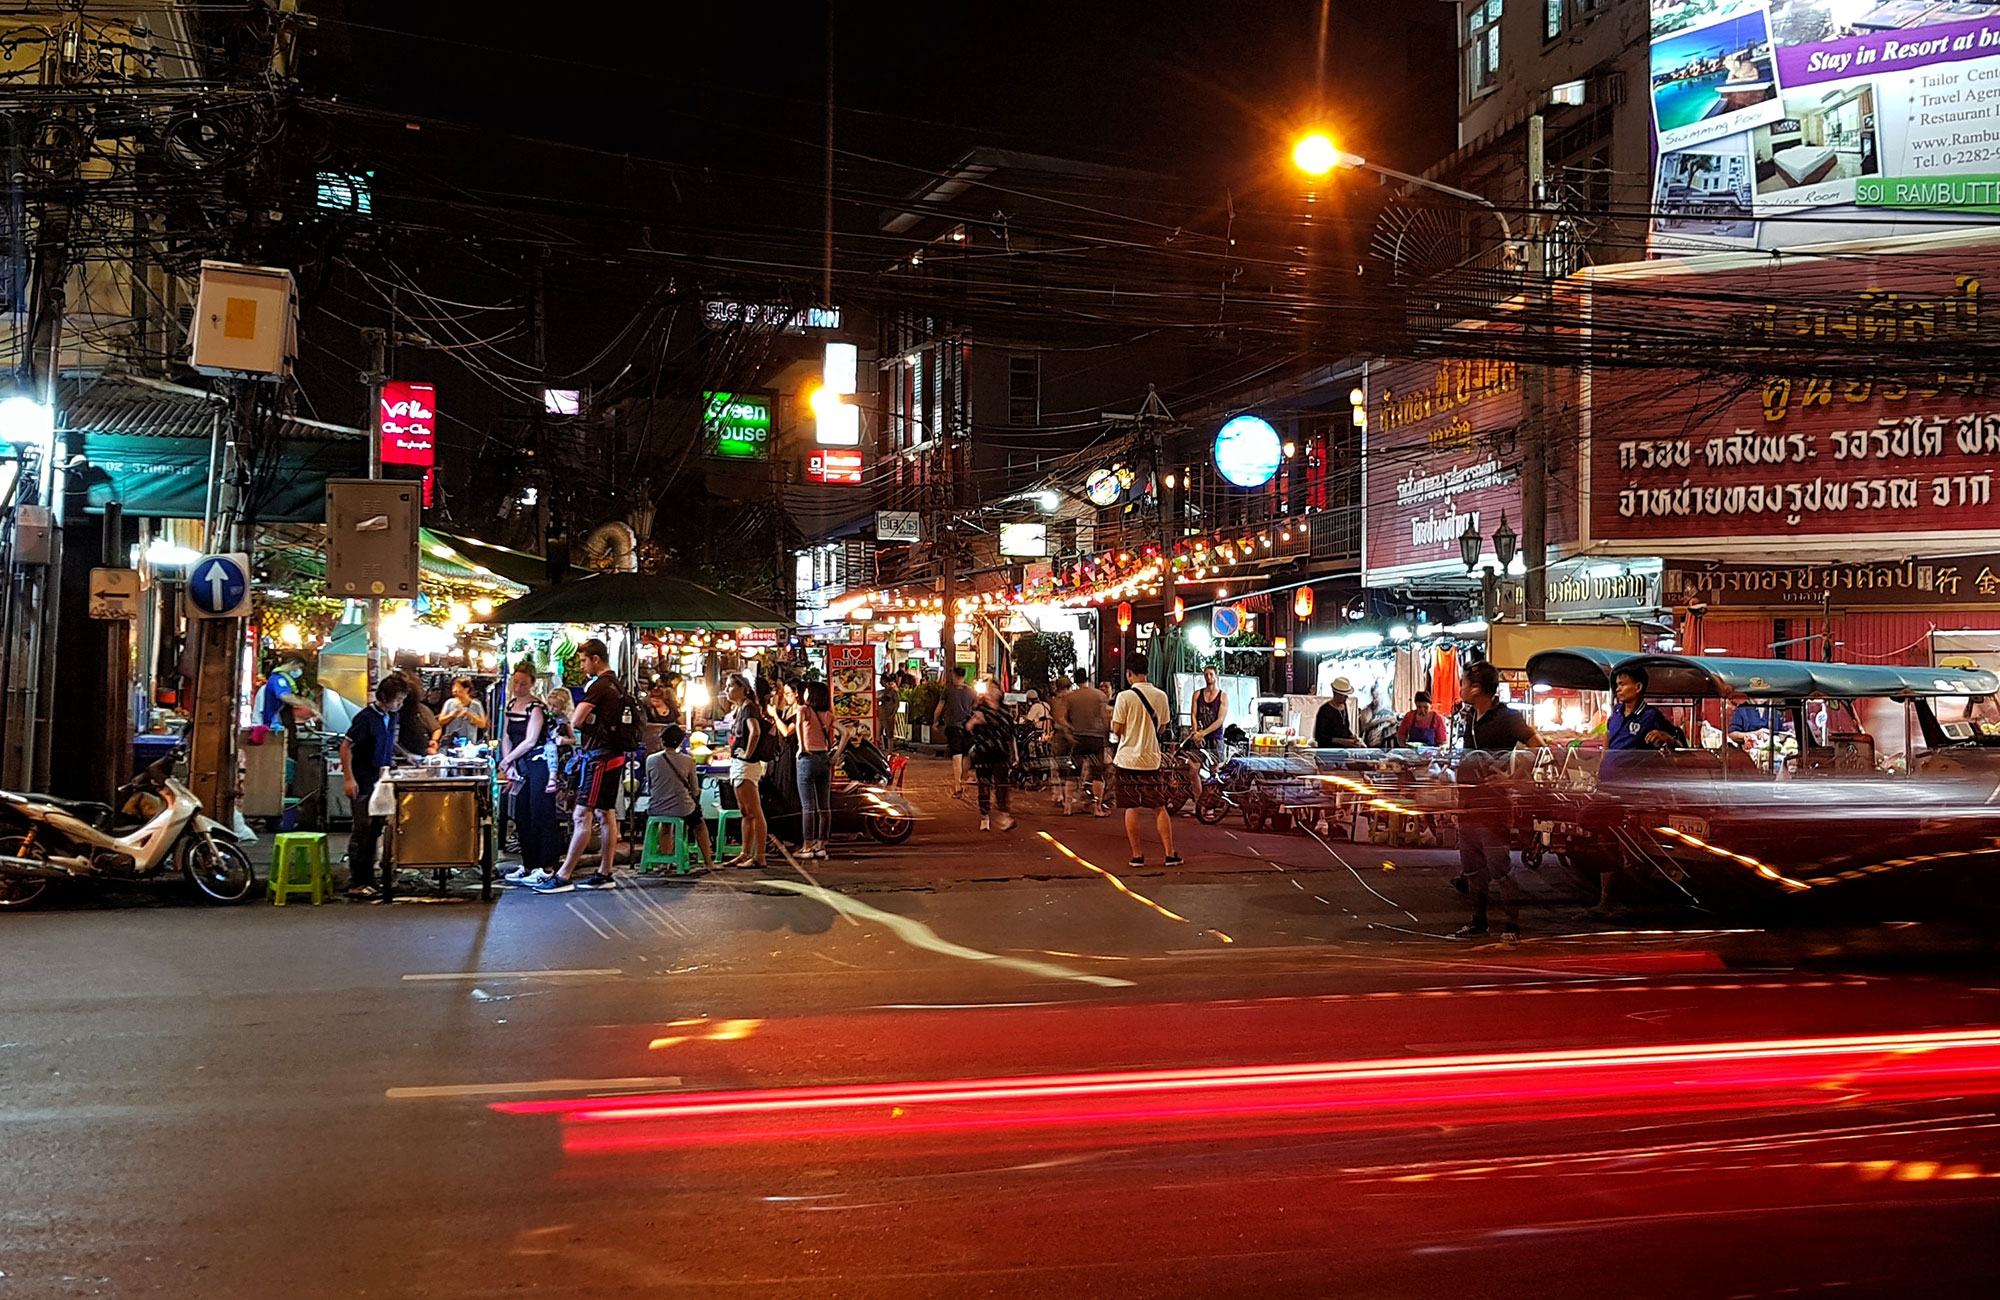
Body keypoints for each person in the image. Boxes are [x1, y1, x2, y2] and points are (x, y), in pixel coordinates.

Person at [532, 639, 632, 893]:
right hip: (615, 755)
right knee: (605, 813)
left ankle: (564, 875)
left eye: (584, 660)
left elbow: (575, 720)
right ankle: (604, 872)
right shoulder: (617, 684)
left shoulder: (599, 686)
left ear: (596, 659)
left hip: (600, 757)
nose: (582, 665)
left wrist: (586, 722)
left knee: (581, 814)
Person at [1453, 660, 1540, 942]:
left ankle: (1512, 926)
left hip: (1493, 807)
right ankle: (1478, 922)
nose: (1461, 688)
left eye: (1464, 683)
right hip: (1468, 805)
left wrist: (1512, 779)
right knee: (1473, 870)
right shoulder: (1470, 717)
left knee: (1500, 869)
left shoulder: (1508, 717)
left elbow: (1538, 747)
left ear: (1476, 689)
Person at [339, 675, 407, 900]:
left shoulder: (392, 716)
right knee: (362, 830)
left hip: (381, 780)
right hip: (363, 779)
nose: (400, 704)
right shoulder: (366, 718)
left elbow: (388, 742)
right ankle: (357, 882)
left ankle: (370, 878)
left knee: (376, 829)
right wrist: (349, 779)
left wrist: (407, 757)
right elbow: (346, 747)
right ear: (386, 697)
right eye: (398, 699)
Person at [1110, 654, 1181, 867]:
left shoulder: (1124, 697)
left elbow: (1116, 728)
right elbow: (1162, 728)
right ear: (1147, 671)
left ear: (1129, 674)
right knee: (1159, 806)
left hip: (1127, 760)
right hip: (1151, 759)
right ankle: (1169, 853)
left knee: (1131, 807)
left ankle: (1137, 855)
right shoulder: (1161, 696)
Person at [499, 668, 562, 886]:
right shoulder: (509, 706)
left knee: (540, 813)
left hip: (539, 763)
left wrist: (508, 761)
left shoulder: (536, 708)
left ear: (532, 684)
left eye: (523, 683)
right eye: (515, 683)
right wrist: (510, 763)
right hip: (520, 765)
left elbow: (530, 740)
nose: (518, 688)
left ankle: (546, 866)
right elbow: (506, 735)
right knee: (522, 814)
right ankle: (528, 863)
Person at [645, 723, 715, 872]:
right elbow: (695, 790)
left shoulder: (650, 759)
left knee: (665, 825)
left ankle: (665, 860)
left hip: (656, 807)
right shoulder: (688, 761)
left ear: (662, 741)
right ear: (680, 742)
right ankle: (709, 862)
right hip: (682, 808)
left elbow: (651, 786)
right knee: (699, 824)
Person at [721, 673, 772, 868]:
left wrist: (747, 753)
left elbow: (756, 731)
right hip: (738, 763)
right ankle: (744, 853)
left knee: (754, 811)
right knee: (744, 811)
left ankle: (759, 855)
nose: (727, 691)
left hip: (746, 765)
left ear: (743, 689)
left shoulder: (749, 708)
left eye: (731, 686)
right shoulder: (739, 709)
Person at [1057, 669, 1112, 816]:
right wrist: (1106, 739)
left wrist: (1069, 731)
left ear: (1075, 680)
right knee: (1097, 774)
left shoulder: (1070, 697)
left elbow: (1061, 718)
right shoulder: (1099, 695)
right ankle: (1097, 807)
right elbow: (1105, 717)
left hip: (1078, 738)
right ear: (1087, 678)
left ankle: (1067, 806)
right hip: (1096, 739)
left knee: (1073, 773)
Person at [966, 678, 1017, 831]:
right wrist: (974, 723)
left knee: (1002, 785)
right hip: (984, 752)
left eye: (994, 689)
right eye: (989, 690)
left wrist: (1014, 753)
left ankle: (1004, 815)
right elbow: (968, 728)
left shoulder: (1005, 712)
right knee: (984, 785)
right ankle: (984, 816)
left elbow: (1010, 733)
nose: (992, 693)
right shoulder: (979, 710)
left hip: (1001, 752)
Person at [795, 679, 838, 859]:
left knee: (808, 806)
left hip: (807, 759)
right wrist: (835, 755)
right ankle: (821, 846)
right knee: (824, 806)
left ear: (811, 694)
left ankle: (807, 847)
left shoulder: (803, 710)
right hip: (824, 759)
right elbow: (846, 733)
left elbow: (798, 725)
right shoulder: (827, 715)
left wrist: (802, 747)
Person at [935, 665, 977, 796]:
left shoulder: (948, 691)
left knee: (956, 757)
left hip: (953, 727)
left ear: (955, 676)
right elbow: (976, 709)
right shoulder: (971, 692)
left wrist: (935, 721)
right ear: (964, 677)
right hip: (968, 727)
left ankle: (957, 786)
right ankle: (963, 778)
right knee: (966, 754)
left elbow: (940, 707)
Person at [255, 657, 317, 731]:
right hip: (271, 726)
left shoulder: (283, 680)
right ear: (292, 662)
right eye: (299, 667)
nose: (300, 671)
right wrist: (307, 703)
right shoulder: (278, 679)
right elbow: (285, 696)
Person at [438, 676, 488, 748]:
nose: (454, 690)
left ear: (466, 689)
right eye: (453, 687)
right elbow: (441, 721)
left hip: (469, 744)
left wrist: (469, 716)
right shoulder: (449, 703)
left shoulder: (476, 705)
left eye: (457, 687)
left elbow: (482, 724)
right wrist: (453, 715)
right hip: (451, 742)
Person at [1191, 666, 1228, 761]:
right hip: (1199, 736)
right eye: (1206, 675)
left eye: (1211, 674)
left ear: (1216, 676)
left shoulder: (1222, 696)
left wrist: (1203, 733)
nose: (1208, 677)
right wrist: (1195, 732)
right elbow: (1193, 714)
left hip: (1215, 737)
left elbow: (1220, 720)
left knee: (1215, 769)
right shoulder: (1197, 694)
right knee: (1193, 768)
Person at [1314, 677, 1358, 748]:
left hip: (1344, 751)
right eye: (1344, 695)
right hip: (1328, 752)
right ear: (1336, 694)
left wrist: (1352, 737)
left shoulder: (1344, 707)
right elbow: (1320, 737)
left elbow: (1345, 728)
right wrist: (1343, 741)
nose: (1346, 697)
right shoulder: (1325, 710)